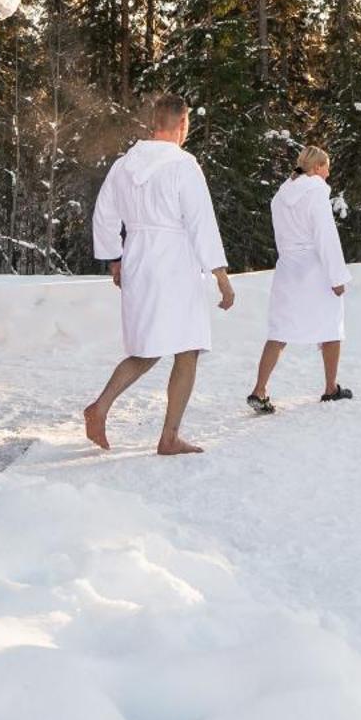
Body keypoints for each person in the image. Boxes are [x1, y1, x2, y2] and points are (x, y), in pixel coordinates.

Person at [84, 92, 235, 456]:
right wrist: (221, 275)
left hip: (138, 256)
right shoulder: (184, 166)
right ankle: (169, 436)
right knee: (187, 347)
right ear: (183, 123)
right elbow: (201, 223)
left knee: (146, 347)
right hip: (174, 262)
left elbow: (103, 215)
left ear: (155, 121)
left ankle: (100, 406)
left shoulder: (124, 165)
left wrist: (115, 259)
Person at [248, 145, 351, 413]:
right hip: (314, 268)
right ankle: (331, 388)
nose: (328, 173)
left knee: (279, 329)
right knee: (331, 324)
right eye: (326, 167)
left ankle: (259, 390)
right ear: (316, 168)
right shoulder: (316, 193)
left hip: (288, 268)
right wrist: (336, 276)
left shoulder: (280, 197)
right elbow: (325, 237)